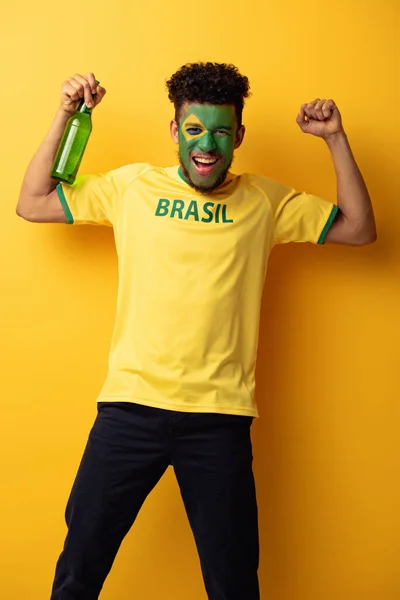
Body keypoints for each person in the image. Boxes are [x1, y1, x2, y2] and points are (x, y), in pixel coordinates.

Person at [16, 62, 376, 600]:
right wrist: (66, 115)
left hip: (219, 420)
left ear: (238, 137)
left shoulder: (265, 201)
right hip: (129, 410)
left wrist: (335, 139)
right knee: (77, 572)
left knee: (233, 585)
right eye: (193, 129)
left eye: (221, 131)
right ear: (175, 131)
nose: (206, 144)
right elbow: (33, 202)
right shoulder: (131, 188)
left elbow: (359, 227)